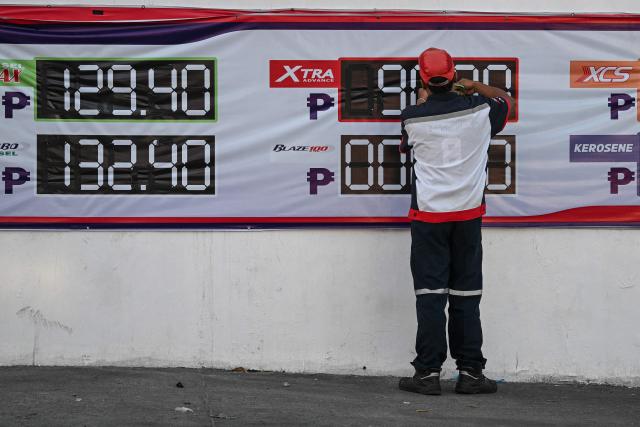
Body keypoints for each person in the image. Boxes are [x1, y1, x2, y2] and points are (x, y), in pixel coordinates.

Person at [397, 47, 515, 395]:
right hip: (467, 217)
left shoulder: (411, 117)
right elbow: (506, 100)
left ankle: (428, 374)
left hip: (428, 217)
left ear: (423, 78)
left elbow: (407, 145)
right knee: (467, 295)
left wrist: (421, 102)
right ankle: (472, 374)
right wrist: (475, 86)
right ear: (453, 76)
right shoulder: (481, 111)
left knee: (430, 295)